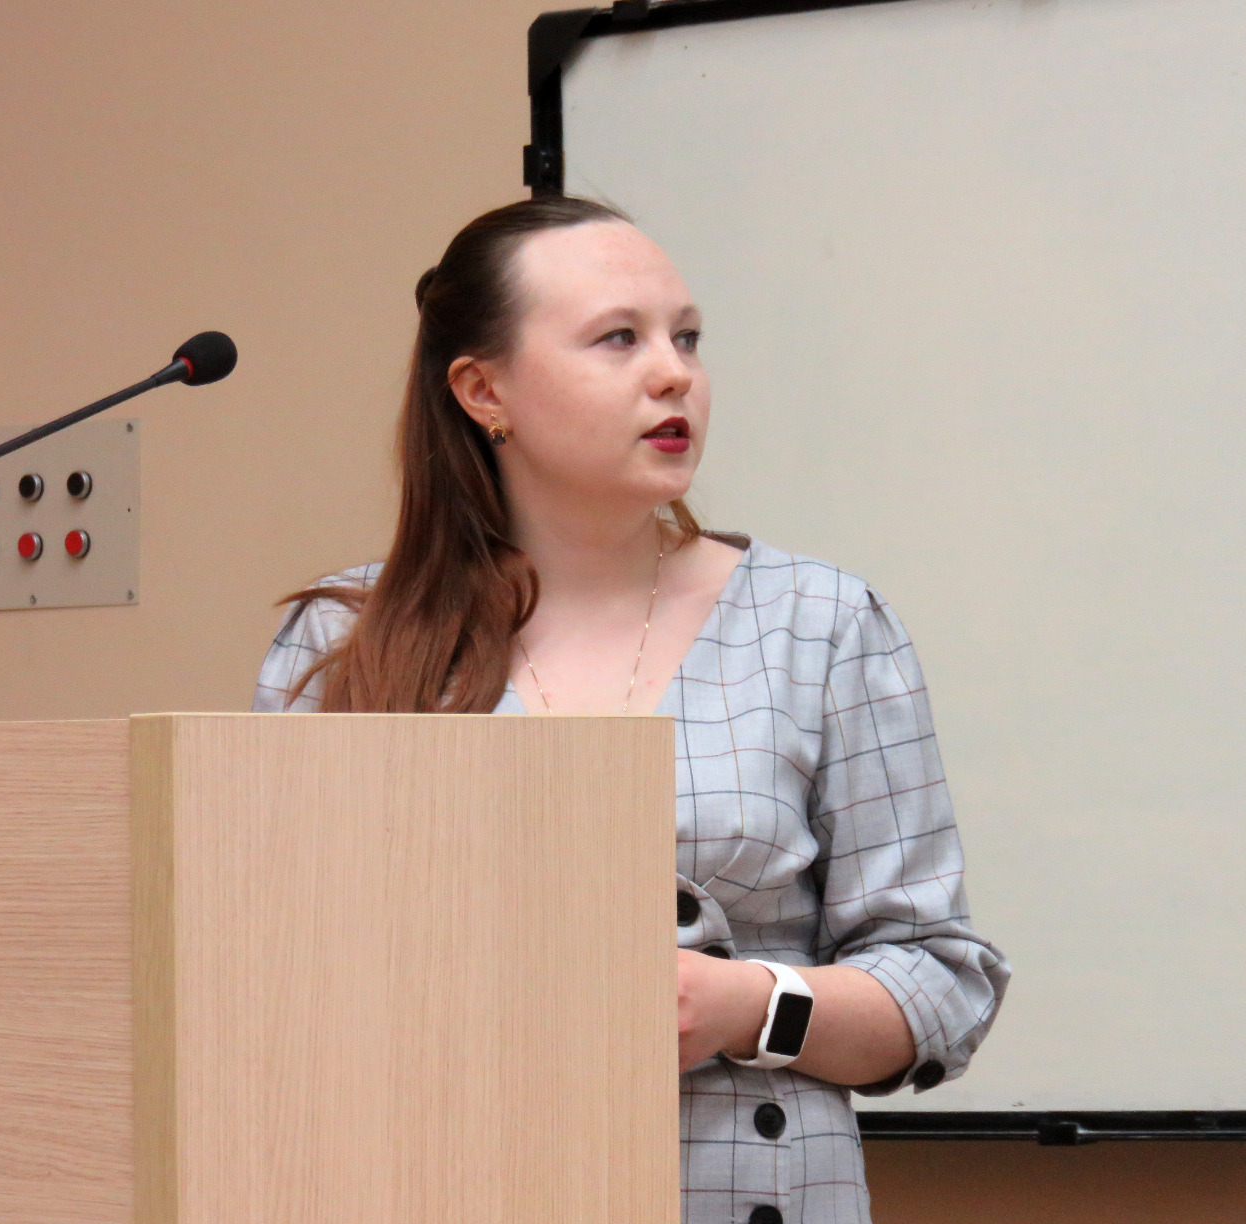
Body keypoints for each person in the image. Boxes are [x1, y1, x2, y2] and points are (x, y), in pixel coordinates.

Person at [252, 196, 1009, 1224]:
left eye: (686, 338)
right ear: (483, 390)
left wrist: (746, 1006)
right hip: (448, 1181)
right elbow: (273, 974)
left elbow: (941, 981)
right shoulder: (346, 642)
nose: (674, 374)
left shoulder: (821, 623)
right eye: (620, 338)